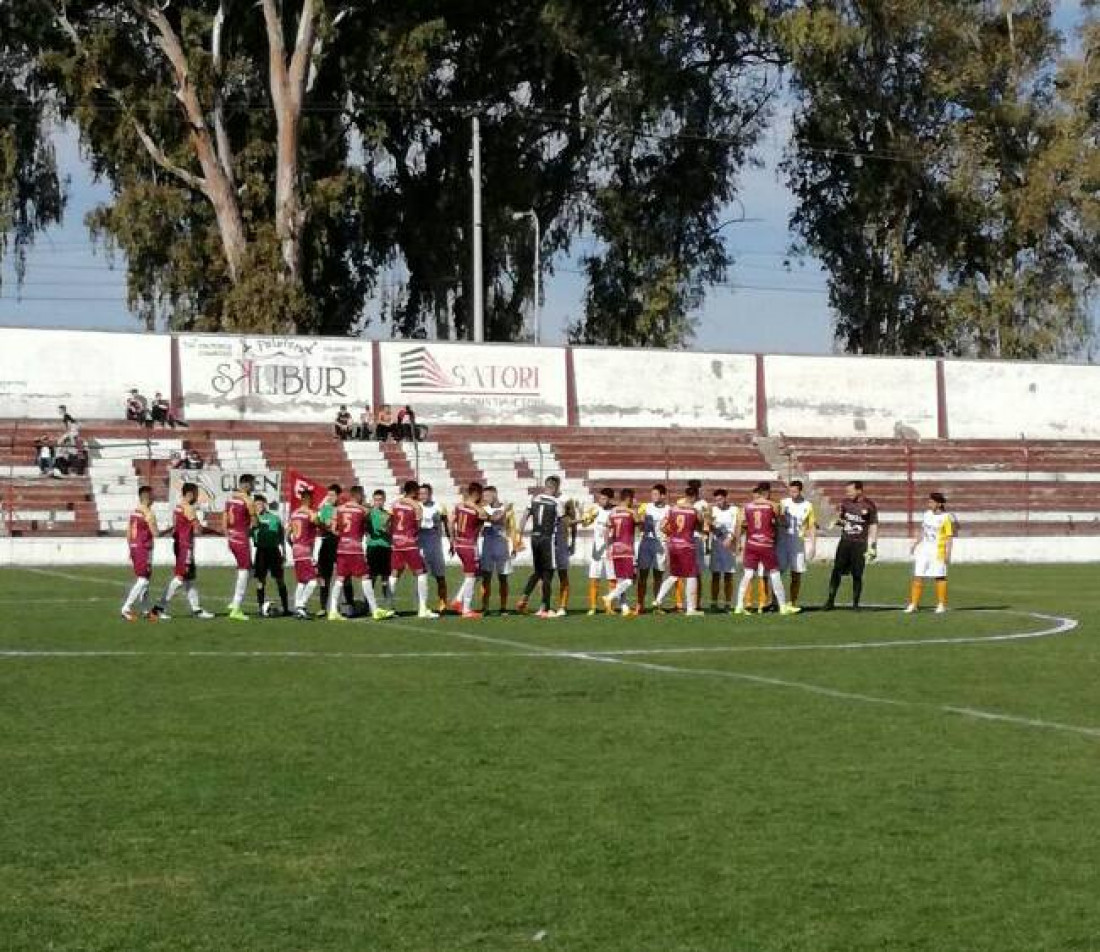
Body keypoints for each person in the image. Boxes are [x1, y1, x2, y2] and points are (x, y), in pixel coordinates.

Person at [327, 486, 393, 622]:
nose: (363, 498)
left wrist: (344, 535)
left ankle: (332, 610)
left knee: (340, 578)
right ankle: (375, 610)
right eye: (362, 495)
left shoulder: (339, 509)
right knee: (365, 576)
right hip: (354, 548)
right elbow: (371, 527)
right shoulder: (363, 510)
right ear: (358, 495)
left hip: (342, 547)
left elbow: (333, 529)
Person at [150, 482, 214, 619]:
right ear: (190, 494)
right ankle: (158, 609)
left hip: (180, 545)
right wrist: (217, 532)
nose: (197, 496)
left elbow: (176, 527)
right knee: (180, 578)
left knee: (189, 579)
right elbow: (199, 529)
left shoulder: (178, 508)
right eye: (197, 494)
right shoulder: (189, 509)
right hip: (185, 547)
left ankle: (196, 609)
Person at [734, 483, 797, 616]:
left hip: (751, 544)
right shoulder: (773, 505)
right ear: (767, 492)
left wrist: (739, 542)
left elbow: (739, 525)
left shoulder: (747, 506)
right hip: (766, 545)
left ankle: (739, 606)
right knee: (774, 573)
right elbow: (782, 522)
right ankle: (782, 606)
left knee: (748, 574)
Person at [824, 480, 879, 611]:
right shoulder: (845, 503)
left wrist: (873, 545)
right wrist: (836, 522)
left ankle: (855, 604)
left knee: (857, 574)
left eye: (850, 491)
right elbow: (842, 519)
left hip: (860, 544)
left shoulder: (869, 505)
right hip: (845, 542)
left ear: (859, 490)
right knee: (836, 571)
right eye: (847, 491)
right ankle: (830, 601)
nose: (848, 493)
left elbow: (873, 525)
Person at [388, 479, 439, 618]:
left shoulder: (395, 504)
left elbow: (389, 522)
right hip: (409, 543)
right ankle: (422, 609)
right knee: (421, 573)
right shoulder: (416, 506)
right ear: (413, 491)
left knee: (394, 573)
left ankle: (390, 607)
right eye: (417, 492)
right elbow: (417, 526)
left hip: (396, 543)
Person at [516, 475, 564, 618]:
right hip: (547, 539)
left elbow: (524, 516)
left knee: (537, 571)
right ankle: (545, 608)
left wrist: (519, 535)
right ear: (555, 488)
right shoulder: (557, 502)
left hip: (534, 537)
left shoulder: (535, 499)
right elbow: (561, 522)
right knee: (548, 573)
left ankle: (524, 598)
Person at [651, 487, 703, 616]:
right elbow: (702, 526)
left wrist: (672, 534)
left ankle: (658, 600)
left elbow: (662, 527)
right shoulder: (694, 510)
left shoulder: (672, 509)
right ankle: (691, 609)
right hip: (687, 546)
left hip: (673, 545)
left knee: (674, 575)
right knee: (691, 575)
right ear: (695, 496)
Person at [905, 492, 955, 614]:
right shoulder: (926, 514)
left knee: (939, 576)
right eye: (929, 502)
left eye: (931, 502)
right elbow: (922, 530)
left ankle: (941, 604)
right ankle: (914, 604)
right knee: (918, 575)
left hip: (938, 551)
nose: (929, 504)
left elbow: (949, 537)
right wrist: (915, 543)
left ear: (939, 504)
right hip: (924, 550)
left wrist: (948, 553)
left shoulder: (946, 518)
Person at [448, 482, 487, 618]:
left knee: (477, 573)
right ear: (476, 494)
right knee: (471, 576)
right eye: (480, 494)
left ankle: (458, 600)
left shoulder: (458, 506)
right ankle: (466, 608)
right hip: (469, 545)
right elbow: (484, 516)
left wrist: (452, 540)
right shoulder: (476, 509)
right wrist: (476, 505)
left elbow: (450, 521)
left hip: (459, 544)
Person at [121, 484, 158, 621]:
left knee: (146, 580)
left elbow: (128, 532)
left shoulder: (135, 512)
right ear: (147, 498)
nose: (155, 498)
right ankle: (126, 608)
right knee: (143, 580)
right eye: (153, 495)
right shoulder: (148, 513)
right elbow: (155, 533)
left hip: (135, 547)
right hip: (144, 548)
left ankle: (145, 610)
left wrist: (131, 547)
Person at [778, 480, 817, 609]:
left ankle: (793, 602)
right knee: (777, 573)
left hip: (798, 543)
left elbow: (811, 526)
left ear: (800, 491)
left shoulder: (808, 505)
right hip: (782, 542)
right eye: (790, 491)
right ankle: (775, 600)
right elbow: (777, 519)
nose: (792, 494)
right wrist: (781, 517)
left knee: (796, 573)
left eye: (795, 491)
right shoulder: (783, 503)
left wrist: (812, 545)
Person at [225, 474, 257, 622]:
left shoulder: (230, 498)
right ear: (247, 485)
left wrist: (227, 533)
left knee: (250, 570)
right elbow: (254, 522)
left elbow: (224, 516)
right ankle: (236, 607)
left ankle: (233, 603)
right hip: (241, 538)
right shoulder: (248, 500)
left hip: (232, 537)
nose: (254, 487)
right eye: (253, 484)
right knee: (245, 570)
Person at [252, 494, 290, 617]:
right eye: (256, 504)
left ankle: (286, 608)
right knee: (260, 581)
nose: (259, 506)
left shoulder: (275, 518)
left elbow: (281, 537)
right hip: (261, 552)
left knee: (280, 580)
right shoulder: (252, 519)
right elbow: (248, 534)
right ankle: (260, 608)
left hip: (274, 551)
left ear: (265, 504)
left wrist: (284, 552)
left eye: (260, 504)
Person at [316, 483, 352, 616]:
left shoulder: (343, 509)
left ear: (338, 496)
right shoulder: (325, 509)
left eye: (332, 495)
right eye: (328, 495)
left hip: (340, 544)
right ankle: (323, 607)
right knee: (324, 576)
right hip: (326, 544)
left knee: (345, 575)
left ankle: (349, 604)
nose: (329, 497)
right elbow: (324, 525)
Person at [603, 488, 639, 616]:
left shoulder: (613, 512)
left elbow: (606, 531)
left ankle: (624, 608)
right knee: (631, 579)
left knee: (621, 580)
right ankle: (609, 597)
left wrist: (607, 548)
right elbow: (640, 523)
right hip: (627, 549)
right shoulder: (631, 512)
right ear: (628, 498)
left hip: (615, 548)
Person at [480, 486, 515, 614]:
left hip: (502, 545)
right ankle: (485, 607)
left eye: (487, 496)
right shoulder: (484, 508)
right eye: (484, 496)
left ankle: (503, 607)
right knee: (486, 577)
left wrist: (515, 546)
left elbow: (507, 524)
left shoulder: (507, 509)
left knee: (503, 578)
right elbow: (496, 518)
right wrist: (504, 510)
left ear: (494, 494)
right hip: (487, 546)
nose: (485, 499)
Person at [582, 488, 616, 615]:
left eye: (604, 498)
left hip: (611, 549)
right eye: (600, 498)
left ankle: (609, 606)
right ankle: (593, 606)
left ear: (610, 499)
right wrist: (586, 518)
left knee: (612, 578)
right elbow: (585, 524)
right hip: (596, 550)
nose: (601, 501)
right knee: (594, 577)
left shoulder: (615, 511)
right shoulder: (595, 509)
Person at [288, 486, 321, 620]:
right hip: (305, 550)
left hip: (296, 549)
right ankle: (301, 605)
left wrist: (293, 545)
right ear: (308, 499)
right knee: (313, 581)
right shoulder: (309, 513)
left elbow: (287, 534)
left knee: (302, 581)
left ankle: (297, 607)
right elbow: (319, 523)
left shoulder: (294, 513)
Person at [636, 484, 669, 613]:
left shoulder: (668, 509)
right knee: (642, 575)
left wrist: (665, 529)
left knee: (658, 575)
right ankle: (640, 604)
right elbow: (640, 527)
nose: (653, 497)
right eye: (652, 494)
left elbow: (670, 528)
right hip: (646, 543)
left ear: (663, 496)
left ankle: (657, 604)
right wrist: (642, 521)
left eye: (656, 494)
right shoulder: (646, 507)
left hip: (661, 544)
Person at [417, 483, 449, 612]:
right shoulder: (416, 507)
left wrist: (451, 540)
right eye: (420, 493)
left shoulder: (439, 507)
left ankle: (443, 603)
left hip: (435, 546)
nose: (422, 496)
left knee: (440, 576)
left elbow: (447, 524)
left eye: (425, 493)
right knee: (421, 576)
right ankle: (422, 605)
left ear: (430, 494)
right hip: (421, 546)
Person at [708, 489, 739, 612]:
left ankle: (727, 603)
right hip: (716, 546)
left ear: (726, 498)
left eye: (720, 499)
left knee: (728, 575)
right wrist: (712, 526)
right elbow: (709, 526)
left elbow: (737, 526)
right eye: (716, 500)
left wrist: (730, 538)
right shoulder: (713, 510)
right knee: (715, 575)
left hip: (729, 547)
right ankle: (714, 603)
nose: (718, 502)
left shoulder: (734, 510)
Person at [367, 489, 394, 609]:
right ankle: (368, 605)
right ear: (373, 500)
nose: (378, 502)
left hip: (385, 547)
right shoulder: (368, 514)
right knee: (371, 577)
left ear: (384, 500)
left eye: (380, 500)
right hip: (372, 547)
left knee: (385, 577)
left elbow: (391, 531)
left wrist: (387, 530)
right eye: (376, 500)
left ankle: (387, 604)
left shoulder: (387, 515)